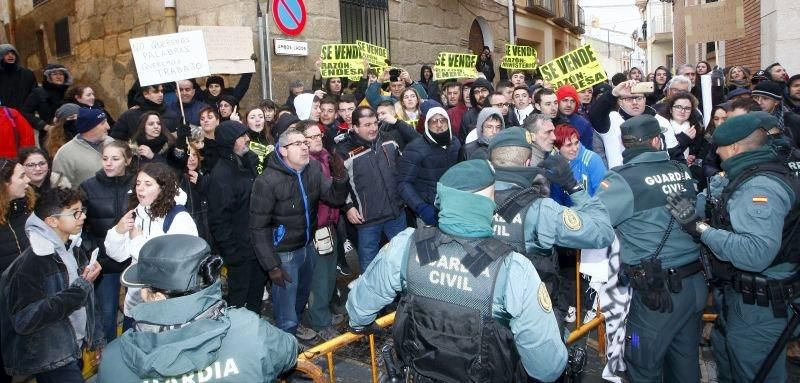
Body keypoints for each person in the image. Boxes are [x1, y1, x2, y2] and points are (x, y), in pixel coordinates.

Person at [347, 160, 571, 382]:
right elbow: (546, 368)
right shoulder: (513, 269)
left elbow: (359, 309)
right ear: (488, 203)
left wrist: (361, 324)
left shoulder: (406, 246)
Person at [667, 114, 799, 382]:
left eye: (720, 146)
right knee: (729, 358)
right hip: (742, 297)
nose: (716, 151)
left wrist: (699, 228)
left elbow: (754, 253)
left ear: (736, 148)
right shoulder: (750, 172)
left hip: (761, 306)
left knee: (755, 372)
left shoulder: (760, 186)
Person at [593, 114, 705, 381]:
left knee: (638, 355)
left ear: (624, 143)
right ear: (657, 140)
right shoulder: (681, 171)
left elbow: (592, 228)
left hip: (657, 297)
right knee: (685, 361)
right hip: (695, 286)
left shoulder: (621, 180)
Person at [97, 235, 298, 382]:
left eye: (144, 289)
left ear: (157, 297)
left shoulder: (114, 361)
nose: (140, 294)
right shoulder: (249, 328)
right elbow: (288, 352)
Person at [487, 126, 614, 331]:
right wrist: (572, 186)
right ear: (528, 162)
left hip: (486, 308)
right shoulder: (542, 210)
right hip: (531, 313)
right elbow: (602, 232)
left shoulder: (471, 198)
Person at [250, 127, 349, 337]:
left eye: (305, 143)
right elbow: (258, 228)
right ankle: (287, 349)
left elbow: (334, 198)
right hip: (284, 255)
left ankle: (294, 332)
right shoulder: (267, 181)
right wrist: (272, 266)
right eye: (298, 144)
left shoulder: (312, 168)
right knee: (285, 310)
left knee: (301, 297)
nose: (305, 147)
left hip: (307, 246)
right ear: (283, 150)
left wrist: (340, 178)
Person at [0, 187, 104, 383]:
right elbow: (25, 319)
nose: (82, 217)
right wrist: (79, 289)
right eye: (75, 213)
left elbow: (89, 299)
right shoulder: (31, 264)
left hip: (73, 347)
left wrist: (96, 337)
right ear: (52, 221)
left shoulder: (73, 248)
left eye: (82, 211)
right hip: (51, 356)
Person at [104, 162, 198, 330]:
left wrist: (138, 241)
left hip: (165, 307)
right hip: (135, 306)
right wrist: (118, 231)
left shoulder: (179, 219)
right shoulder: (137, 213)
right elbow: (117, 256)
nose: (140, 189)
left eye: (148, 184)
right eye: (138, 183)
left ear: (163, 188)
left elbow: (175, 265)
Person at [336, 106, 406, 272]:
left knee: (402, 259)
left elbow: (404, 172)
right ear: (354, 127)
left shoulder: (391, 140)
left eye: (375, 123)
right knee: (369, 266)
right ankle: (370, 296)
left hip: (396, 213)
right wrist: (348, 207)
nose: (373, 128)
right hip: (367, 219)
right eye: (367, 125)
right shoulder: (343, 151)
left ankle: (403, 296)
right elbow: (339, 185)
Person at [79, 140, 135, 342]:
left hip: (133, 260)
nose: (109, 163)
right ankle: (109, 354)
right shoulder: (87, 187)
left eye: (115, 158)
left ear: (127, 160)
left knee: (134, 311)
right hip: (104, 264)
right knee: (107, 314)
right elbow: (80, 227)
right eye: (105, 158)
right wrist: (92, 251)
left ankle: (131, 347)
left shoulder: (138, 184)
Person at [205, 121, 263, 313]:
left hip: (257, 244)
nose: (247, 139)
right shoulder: (222, 175)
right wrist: (232, 253)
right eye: (242, 136)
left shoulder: (246, 163)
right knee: (239, 296)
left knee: (256, 291)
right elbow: (219, 218)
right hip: (240, 250)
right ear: (230, 142)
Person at [398, 107, 461, 226]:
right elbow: (403, 183)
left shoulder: (455, 143)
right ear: (427, 124)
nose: (439, 124)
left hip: (453, 208)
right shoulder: (415, 148)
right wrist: (421, 208)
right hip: (429, 210)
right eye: (434, 121)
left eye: (443, 120)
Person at [52, 108, 113, 187]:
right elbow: (58, 188)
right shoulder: (65, 154)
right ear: (89, 127)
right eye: (103, 123)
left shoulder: (111, 142)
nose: (108, 127)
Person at [551, 124, 606, 205]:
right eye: (569, 145)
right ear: (556, 148)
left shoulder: (593, 160)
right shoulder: (554, 165)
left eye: (576, 143)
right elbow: (556, 201)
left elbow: (603, 193)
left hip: (593, 212)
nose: (575, 148)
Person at [22, 64, 73, 144]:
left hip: (72, 134)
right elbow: (25, 112)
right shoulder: (38, 92)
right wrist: (43, 125)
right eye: (54, 74)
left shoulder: (70, 92)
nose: (58, 76)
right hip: (49, 136)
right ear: (48, 76)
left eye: (61, 74)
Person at [112, 84, 180, 141]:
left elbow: (175, 144)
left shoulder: (171, 115)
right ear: (145, 94)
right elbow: (117, 140)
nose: (160, 94)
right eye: (156, 91)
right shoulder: (129, 115)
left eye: (162, 91)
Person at [752, 80, 800, 147]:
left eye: (765, 98)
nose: (759, 102)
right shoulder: (749, 118)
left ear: (776, 102)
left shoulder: (794, 121)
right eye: (756, 98)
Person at [658, 92, 701, 163]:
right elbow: (664, 152)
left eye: (687, 108)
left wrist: (692, 157)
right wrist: (684, 138)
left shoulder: (696, 127)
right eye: (678, 107)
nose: (682, 111)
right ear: (671, 109)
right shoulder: (661, 126)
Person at [555, 84, 593, 150]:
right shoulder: (549, 121)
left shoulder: (583, 124)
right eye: (565, 100)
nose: (569, 105)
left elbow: (588, 151)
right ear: (557, 102)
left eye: (572, 101)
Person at [0, 44, 36, 110]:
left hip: (24, 114)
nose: (10, 55)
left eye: (13, 53)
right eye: (6, 53)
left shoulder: (27, 74)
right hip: (4, 115)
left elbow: (34, 94)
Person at [459, 78, 494, 142]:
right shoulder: (468, 117)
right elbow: (463, 143)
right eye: (476, 92)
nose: (480, 94)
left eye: (483, 90)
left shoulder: (501, 110)